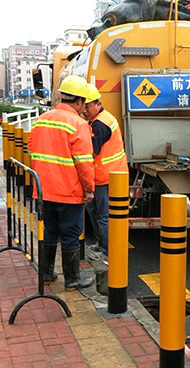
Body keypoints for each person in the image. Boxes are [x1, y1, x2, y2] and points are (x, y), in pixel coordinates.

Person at [28, 75, 95, 291]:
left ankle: (47, 274)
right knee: (70, 234)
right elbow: (84, 163)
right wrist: (89, 189)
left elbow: (31, 147)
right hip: (68, 191)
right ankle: (72, 280)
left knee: (49, 231)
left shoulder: (41, 120)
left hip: (43, 190)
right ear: (79, 101)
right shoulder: (78, 125)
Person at [82, 83, 128, 263]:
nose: (84, 110)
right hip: (108, 174)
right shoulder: (101, 119)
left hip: (106, 176)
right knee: (95, 212)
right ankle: (102, 244)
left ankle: (106, 251)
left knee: (103, 215)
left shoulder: (100, 125)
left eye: (87, 106)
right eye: (83, 105)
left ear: (98, 103)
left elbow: (91, 153)